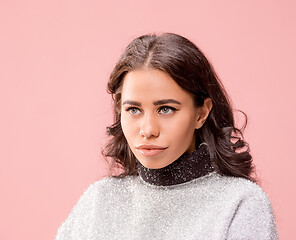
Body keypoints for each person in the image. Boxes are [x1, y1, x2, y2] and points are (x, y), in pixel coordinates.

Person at [55, 33, 278, 239]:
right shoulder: (98, 201)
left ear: (201, 113)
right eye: (133, 109)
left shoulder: (241, 203)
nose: (148, 129)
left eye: (166, 109)